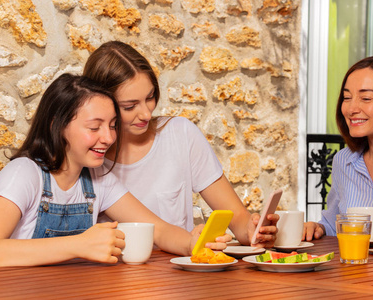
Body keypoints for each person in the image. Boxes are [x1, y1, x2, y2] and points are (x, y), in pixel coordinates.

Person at [0, 74, 231, 270]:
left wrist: (191, 243)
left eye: (112, 125)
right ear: (58, 125)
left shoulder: (98, 178)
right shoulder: (24, 173)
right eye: (94, 128)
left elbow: (157, 230)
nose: (108, 137)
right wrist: (77, 245)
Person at [83, 41, 279, 247]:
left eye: (150, 97)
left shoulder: (180, 134)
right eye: (130, 106)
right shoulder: (90, 159)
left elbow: (236, 216)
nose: (146, 114)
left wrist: (252, 230)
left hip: (179, 273)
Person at [303, 55, 373, 242]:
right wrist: (317, 227)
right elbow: (334, 223)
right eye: (347, 97)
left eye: (366, 98)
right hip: (355, 269)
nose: (351, 108)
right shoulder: (344, 161)